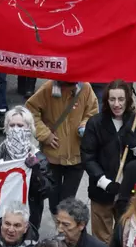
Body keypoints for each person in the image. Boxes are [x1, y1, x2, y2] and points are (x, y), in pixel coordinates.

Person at [80, 80, 136, 243]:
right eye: (112, 99)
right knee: (102, 240)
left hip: (130, 195)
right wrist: (104, 182)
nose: (116, 104)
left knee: (127, 240)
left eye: (121, 99)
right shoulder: (95, 123)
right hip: (101, 193)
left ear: (128, 100)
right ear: (106, 100)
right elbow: (87, 156)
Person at [27, 79, 99, 211]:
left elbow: (92, 112)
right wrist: (44, 134)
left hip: (77, 156)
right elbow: (30, 110)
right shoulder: (48, 88)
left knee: (67, 202)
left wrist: (84, 125)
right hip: (52, 156)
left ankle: (65, 228)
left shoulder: (85, 87)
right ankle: (60, 225)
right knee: (54, 203)